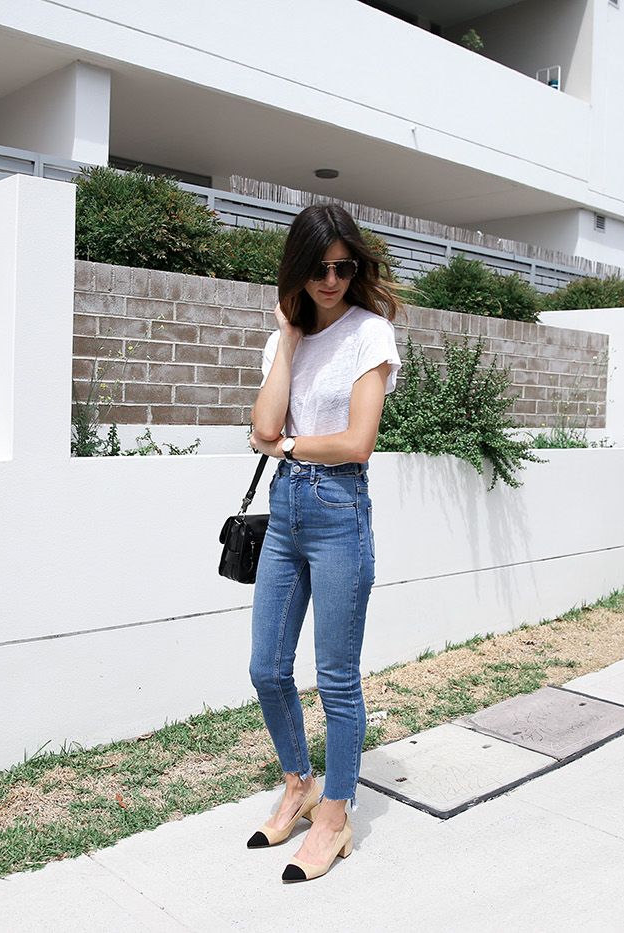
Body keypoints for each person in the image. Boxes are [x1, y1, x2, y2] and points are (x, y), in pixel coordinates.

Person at [245, 203, 402, 883]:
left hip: (340, 509)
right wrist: (286, 339)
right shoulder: (291, 336)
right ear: (299, 270)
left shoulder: (374, 334)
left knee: (336, 676)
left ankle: (335, 814)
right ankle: (298, 783)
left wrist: (288, 444)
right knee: (266, 666)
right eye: (320, 268)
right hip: (286, 510)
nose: (332, 279)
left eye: (344, 267)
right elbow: (261, 422)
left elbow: (356, 442)